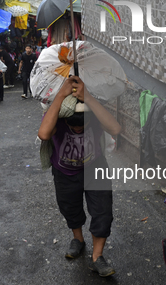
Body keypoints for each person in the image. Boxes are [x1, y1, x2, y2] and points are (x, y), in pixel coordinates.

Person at [38, 76, 121, 277]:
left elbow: (116, 129)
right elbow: (43, 134)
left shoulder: (94, 113)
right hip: (65, 173)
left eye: (82, 126)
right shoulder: (59, 113)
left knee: (103, 212)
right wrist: (61, 94)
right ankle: (78, 239)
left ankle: (97, 257)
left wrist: (88, 97)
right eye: (73, 126)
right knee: (70, 208)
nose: (78, 129)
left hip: (95, 169)